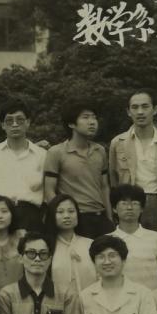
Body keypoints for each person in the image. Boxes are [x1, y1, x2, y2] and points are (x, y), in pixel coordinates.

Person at [108, 91, 157, 230]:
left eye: (145, 106)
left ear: (155, 109)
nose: (140, 112)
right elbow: (113, 180)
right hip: (131, 204)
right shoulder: (118, 143)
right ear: (128, 111)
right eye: (135, 107)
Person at [43, 101, 113, 239]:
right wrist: (60, 218)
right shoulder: (56, 152)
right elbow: (49, 190)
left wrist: (110, 218)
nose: (92, 122)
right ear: (71, 124)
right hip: (75, 219)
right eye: (85, 117)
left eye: (94, 117)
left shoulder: (100, 151)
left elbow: (104, 187)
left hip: (100, 217)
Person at [0, 99, 47, 231]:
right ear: (2, 125)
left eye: (19, 120)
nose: (14, 124)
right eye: (9, 121)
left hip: (31, 217)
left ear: (28, 122)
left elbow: (47, 193)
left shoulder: (42, 155)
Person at [111, 183, 157, 290]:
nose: (129, 207)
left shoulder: (156, 238)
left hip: (152, 297)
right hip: (120, 298)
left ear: (142, 208)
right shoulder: (108, 240)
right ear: (114, 208)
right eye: (124, 203)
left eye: (135, 203)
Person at [45, 194, 95, 297]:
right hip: (58, 304)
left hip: (91, 303)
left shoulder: (90, 244)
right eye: (60, 212)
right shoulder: (46, 247)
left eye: (71, 211)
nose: (66, 216)